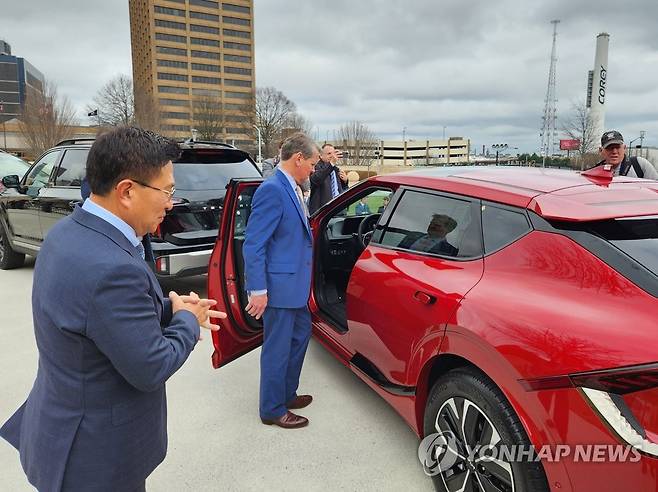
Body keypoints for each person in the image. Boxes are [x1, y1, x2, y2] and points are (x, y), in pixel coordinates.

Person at [0, 127, 225, 492]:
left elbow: (93, 321)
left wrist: (168, 309)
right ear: (127, 191)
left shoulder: (66, 233)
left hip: (62, 426)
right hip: (95, 458)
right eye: (167, 191)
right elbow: (151, 366)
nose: (171, 202)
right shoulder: (111, 269)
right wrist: (186, 320)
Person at [243, 132, 318, 429]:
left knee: (299, 339)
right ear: (298, 158)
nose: (313, 169)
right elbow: (254, 243)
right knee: (278, 348)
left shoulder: (294, 188)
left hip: (295, 286)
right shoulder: (272, 189)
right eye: (311, 163)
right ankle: (272, 408)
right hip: (278, 288)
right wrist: (258, 289)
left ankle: (286, 393)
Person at [308, 143, 348, 214]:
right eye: (329, 153)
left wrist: (345, 181)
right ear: (321, 156)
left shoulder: (336, 170)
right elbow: (316, 180)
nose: (332, 156)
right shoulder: (316, 167)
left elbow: (342, 190)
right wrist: (331, 163)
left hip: (339, 210)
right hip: (323, 213)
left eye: (333, 153)